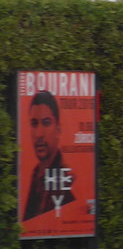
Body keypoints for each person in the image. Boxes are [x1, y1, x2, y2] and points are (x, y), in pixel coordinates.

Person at [23, 90, 76, 220]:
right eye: (34, 124)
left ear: (58, 129)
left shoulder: (69, 181)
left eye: (46, 123)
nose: (39, 134)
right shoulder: (35, 176)